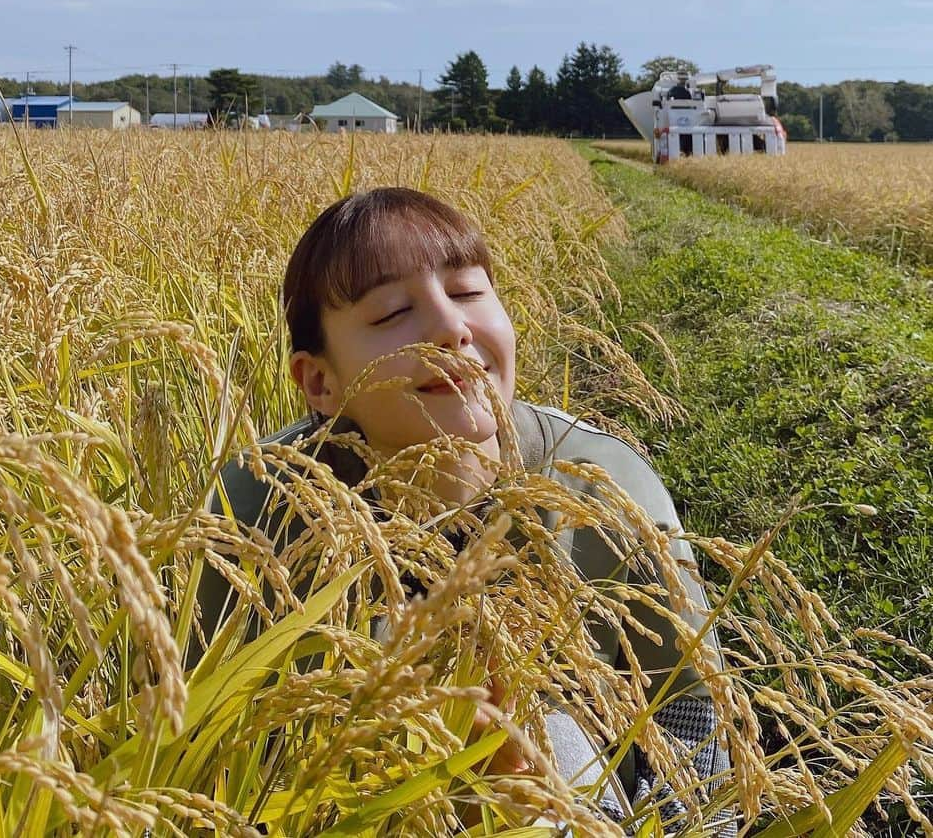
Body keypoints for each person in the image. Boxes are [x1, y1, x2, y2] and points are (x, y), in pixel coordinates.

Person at [192, 188, 734, 832]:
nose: (452, 327)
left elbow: (692, 719)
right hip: (342, 800)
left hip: (578, 799)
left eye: (470, 292)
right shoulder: (259, 503)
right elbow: (219, 744)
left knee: (554, 729)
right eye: (394, 312)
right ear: (320, 382)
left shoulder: (603, 484)